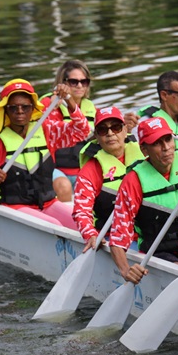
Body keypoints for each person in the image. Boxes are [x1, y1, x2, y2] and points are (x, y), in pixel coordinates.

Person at [107, 117, 178, 284]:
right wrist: (126, 271)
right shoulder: (133, 181)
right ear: (144, 150)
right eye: (157, 143)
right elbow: (118, 237)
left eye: (168, 139)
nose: (166, 148)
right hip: (160, 252)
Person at [0, 79, 90, 228]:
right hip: (14, 207)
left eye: (25, 107)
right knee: (54, 224)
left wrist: (69, 99)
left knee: (84, 224)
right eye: (13, 108)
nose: (20, 111)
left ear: (32, 109)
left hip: (48, 203)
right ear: (5, 110)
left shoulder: (46, 130)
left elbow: (82, 131)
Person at [73, 106, 145, 251]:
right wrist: (90, 234)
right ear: (97, 138)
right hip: (114, 238)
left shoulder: (145, 152)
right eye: (103, 130)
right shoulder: (90, 170)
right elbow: (81, 211)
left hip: (148, 232)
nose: (110, 133)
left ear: (125, 131)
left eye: (116, 127)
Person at [41, 60, 98, 202]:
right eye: (74, 81)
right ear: (63, 83)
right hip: (55, 169)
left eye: (84, 82)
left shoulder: (92, 108)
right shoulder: (49, 104)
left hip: (82, 170)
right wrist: (52, 106)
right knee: (64, 186)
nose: (79, 85)